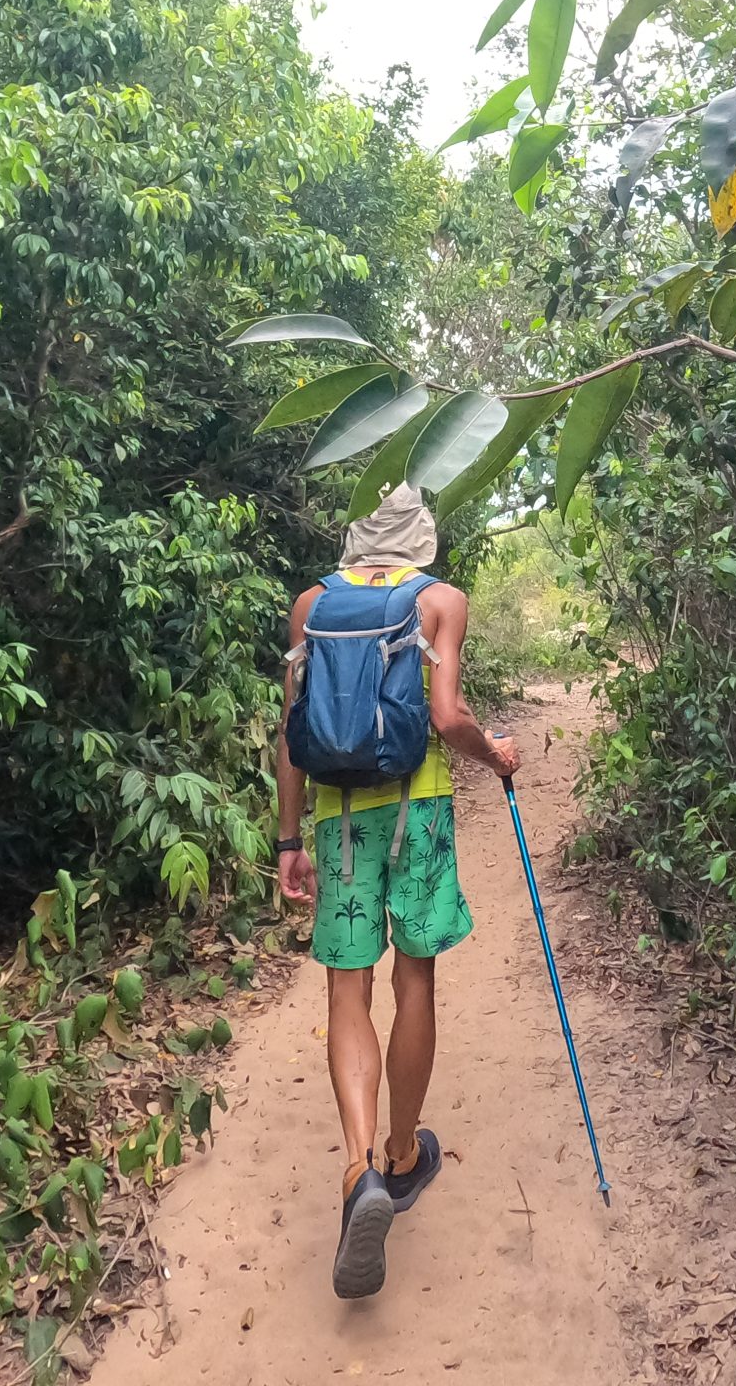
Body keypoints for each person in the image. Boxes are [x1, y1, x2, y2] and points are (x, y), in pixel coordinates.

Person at [273, 483, 519, 1299]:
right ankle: (403, 1155)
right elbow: (446, 718)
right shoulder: (440, 600)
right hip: (421, 813)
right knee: (415, 981)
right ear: (422, 537)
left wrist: (286, 839)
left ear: (355, 538)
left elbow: (291, 731)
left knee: (350, 989)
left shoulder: (313, 603)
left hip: (339, 821)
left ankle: (355, 1171)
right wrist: (497, 756)